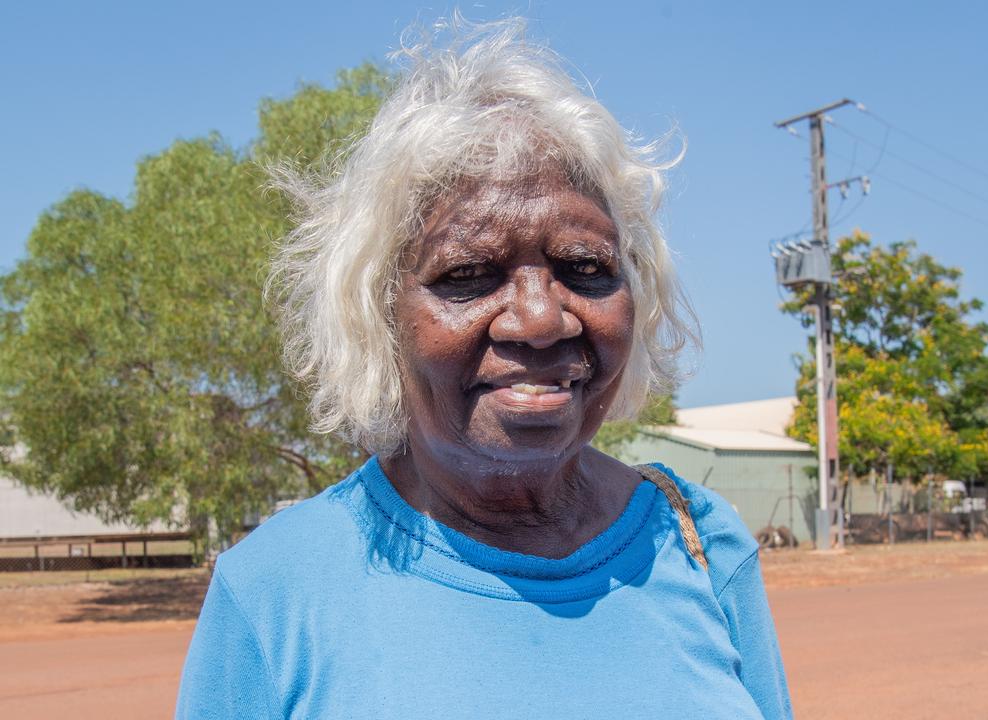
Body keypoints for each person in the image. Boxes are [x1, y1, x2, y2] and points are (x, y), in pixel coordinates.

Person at [176, 19, 791, 720]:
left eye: (585, 268)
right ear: (379, 314)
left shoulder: (703, 546)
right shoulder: (270, 592)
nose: (540, 319)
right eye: (468, 273)